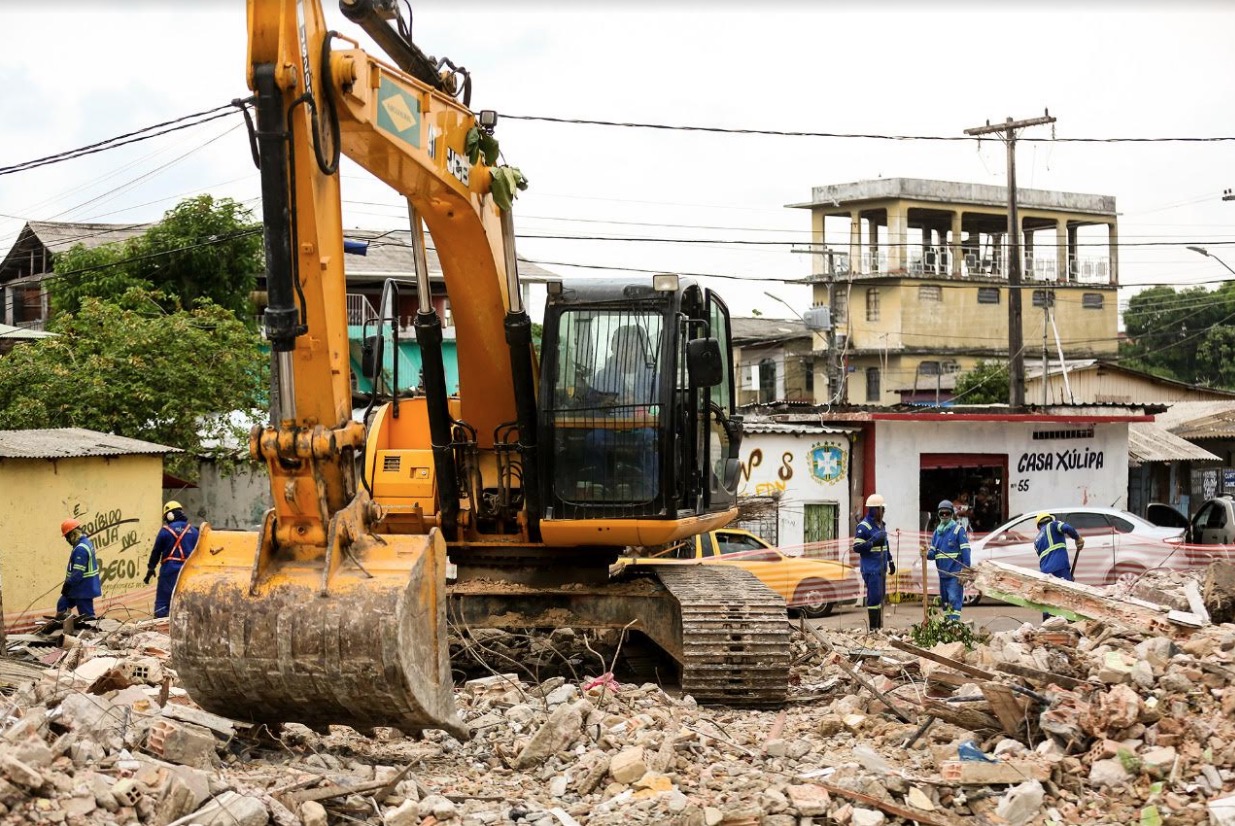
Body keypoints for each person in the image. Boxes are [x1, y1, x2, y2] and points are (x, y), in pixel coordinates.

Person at [146, 501, 199, 619]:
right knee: (186, 603)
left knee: (163, 603)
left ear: (170, 515)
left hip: (169, 571)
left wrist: (151, 567)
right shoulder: (195, 532)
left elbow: (156, 551)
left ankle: (160, 630)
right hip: (188, 573)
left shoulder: (165, 531)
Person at [853, 493, 894, 631]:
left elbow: (885, 545)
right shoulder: (864, 527)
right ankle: (873, 628)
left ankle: (879, 627)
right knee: (874, 597)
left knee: (880, 597)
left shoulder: (881, 525)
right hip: (871, 568)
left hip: (881, 567)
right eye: (882, 509)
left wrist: (891, 560)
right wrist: (872, 542)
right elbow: (857, 547)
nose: (884, 512)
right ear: (874, 509)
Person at [925, 499, 971, 623]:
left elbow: (966, 552)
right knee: (945, 603)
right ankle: (947, 627)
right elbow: (932, 554)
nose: (944, 516)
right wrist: (924, 553)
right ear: (939, 515)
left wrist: (965, 571)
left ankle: (954, 626)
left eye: (947, 513)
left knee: (954, 601)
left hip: (954, 576)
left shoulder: (958, 531)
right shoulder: (937, 534)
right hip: (942, 576)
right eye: (942, 513)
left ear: (952, 514)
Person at [1034, 511, 1084, 619]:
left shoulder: (1037, 540)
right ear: (1049, 519)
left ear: (1038, 526)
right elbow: (1067, 528)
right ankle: (1068, 621)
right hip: (1060, 566)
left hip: (1045, 572)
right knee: (1066, 594)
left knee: (1048, 598)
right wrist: (1077, 538)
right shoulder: (1053, 525)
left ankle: (1047, 624)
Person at [57, 518, 101, 621]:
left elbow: (77, 574)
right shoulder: (85, 543)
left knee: (87, 618)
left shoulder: (80, 549)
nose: (67, 540)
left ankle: (91, 634)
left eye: (67, 537)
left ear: (72, 535)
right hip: (78, 588)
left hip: (83, 589)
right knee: (62, 604)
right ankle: (66, 628)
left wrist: (67, 585)